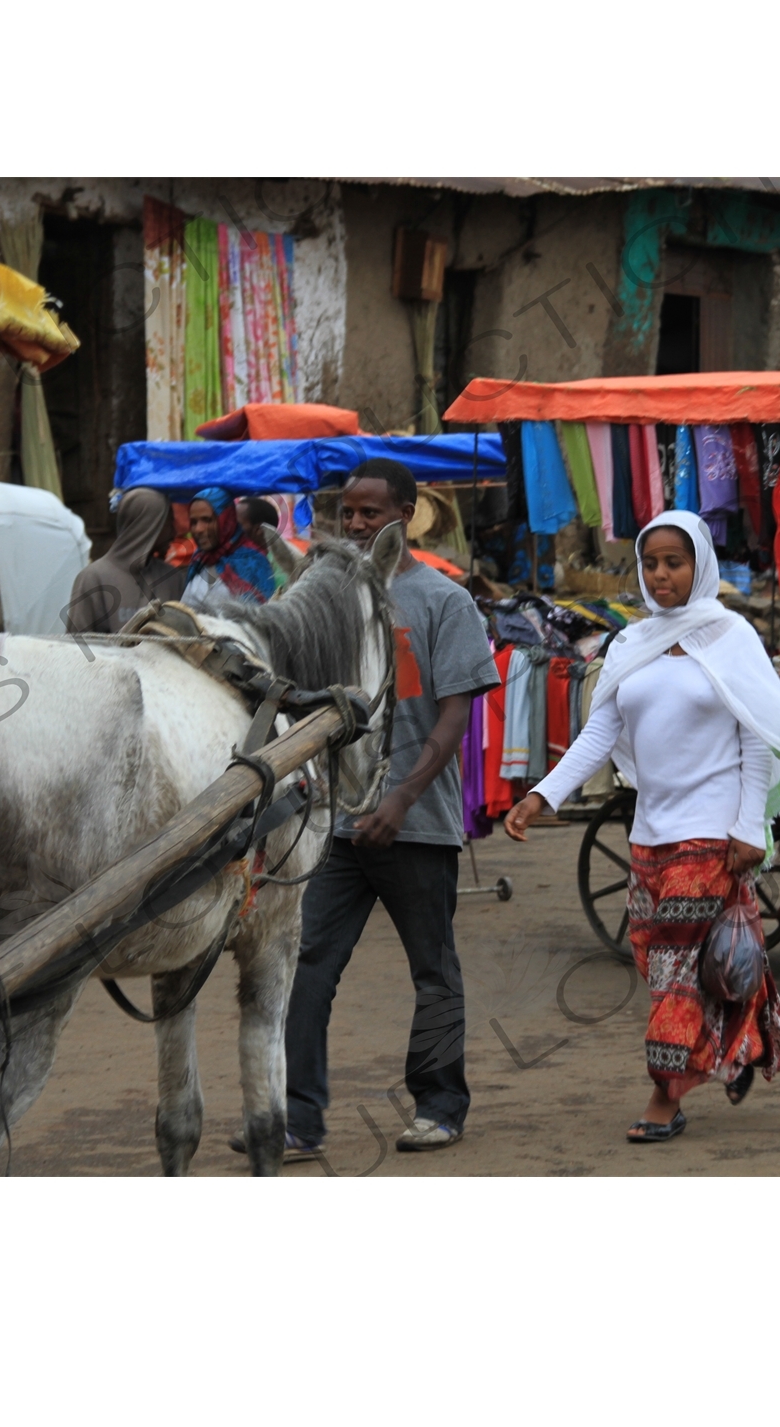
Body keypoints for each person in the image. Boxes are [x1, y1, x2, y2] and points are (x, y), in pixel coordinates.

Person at [504, 510, 780, 1143]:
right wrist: (541, 796)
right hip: (647, 835)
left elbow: (758, 738)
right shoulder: (631, 642)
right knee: (678, 960)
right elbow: (601, 731)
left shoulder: (730, 637)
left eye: (673, 562)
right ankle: (745, 1045)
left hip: (708, 834)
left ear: (699, 564)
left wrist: (747, 829)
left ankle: (665, 1094)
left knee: (675, 974)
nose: (660, 575)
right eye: (650, 563)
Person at [280, 457, 500, 1158]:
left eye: (370, 512)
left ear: (407, 515)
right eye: (348, 511)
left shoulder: (444, 602)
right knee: (307, 964)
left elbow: (452, 722)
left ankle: (439, 1105)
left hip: (417, 825)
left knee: (432, 969)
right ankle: (299, 1119)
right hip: (339, 826)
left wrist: (401, 800)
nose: (356, 523)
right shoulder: (330, 597)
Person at [65, 486, 185, 635]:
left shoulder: (173, 579)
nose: (175, 531)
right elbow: (77, 648)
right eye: (168, 522)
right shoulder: (92, 579)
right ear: (148, 526)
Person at [181, 487, 276, 608]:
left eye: (207, 520)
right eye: (194, 522)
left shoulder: (253, 562)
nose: (198, 529)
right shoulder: (198, 561)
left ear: (226, 520)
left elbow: (262, 617)